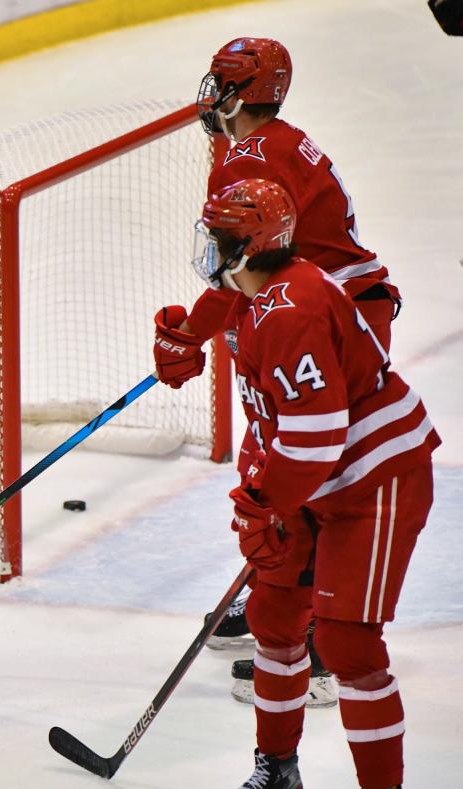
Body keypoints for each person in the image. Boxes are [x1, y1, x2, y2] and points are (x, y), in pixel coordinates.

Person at [154, 37, 403, 704]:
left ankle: (319, 640)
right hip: (338, 306)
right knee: (273, 454)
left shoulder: (247, 161)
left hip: (325, 316)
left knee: (310, 472)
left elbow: (243, 266)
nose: (209, 94)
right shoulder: (282, 141)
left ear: (239, 92)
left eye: (219, 82)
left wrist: (189, 334)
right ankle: (276, 594)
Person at [189, 177, 438, 789]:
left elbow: (319, 434)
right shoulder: (252, 293)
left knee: (348, 647)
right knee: (274, 621)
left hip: (373, 477)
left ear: (247, 247)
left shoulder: (289, 310)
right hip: (313, 479)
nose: (205, 247)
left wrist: (262, 505)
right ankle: (277, 769)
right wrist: (179, 338)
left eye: (217, 238)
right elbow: (277, 421)